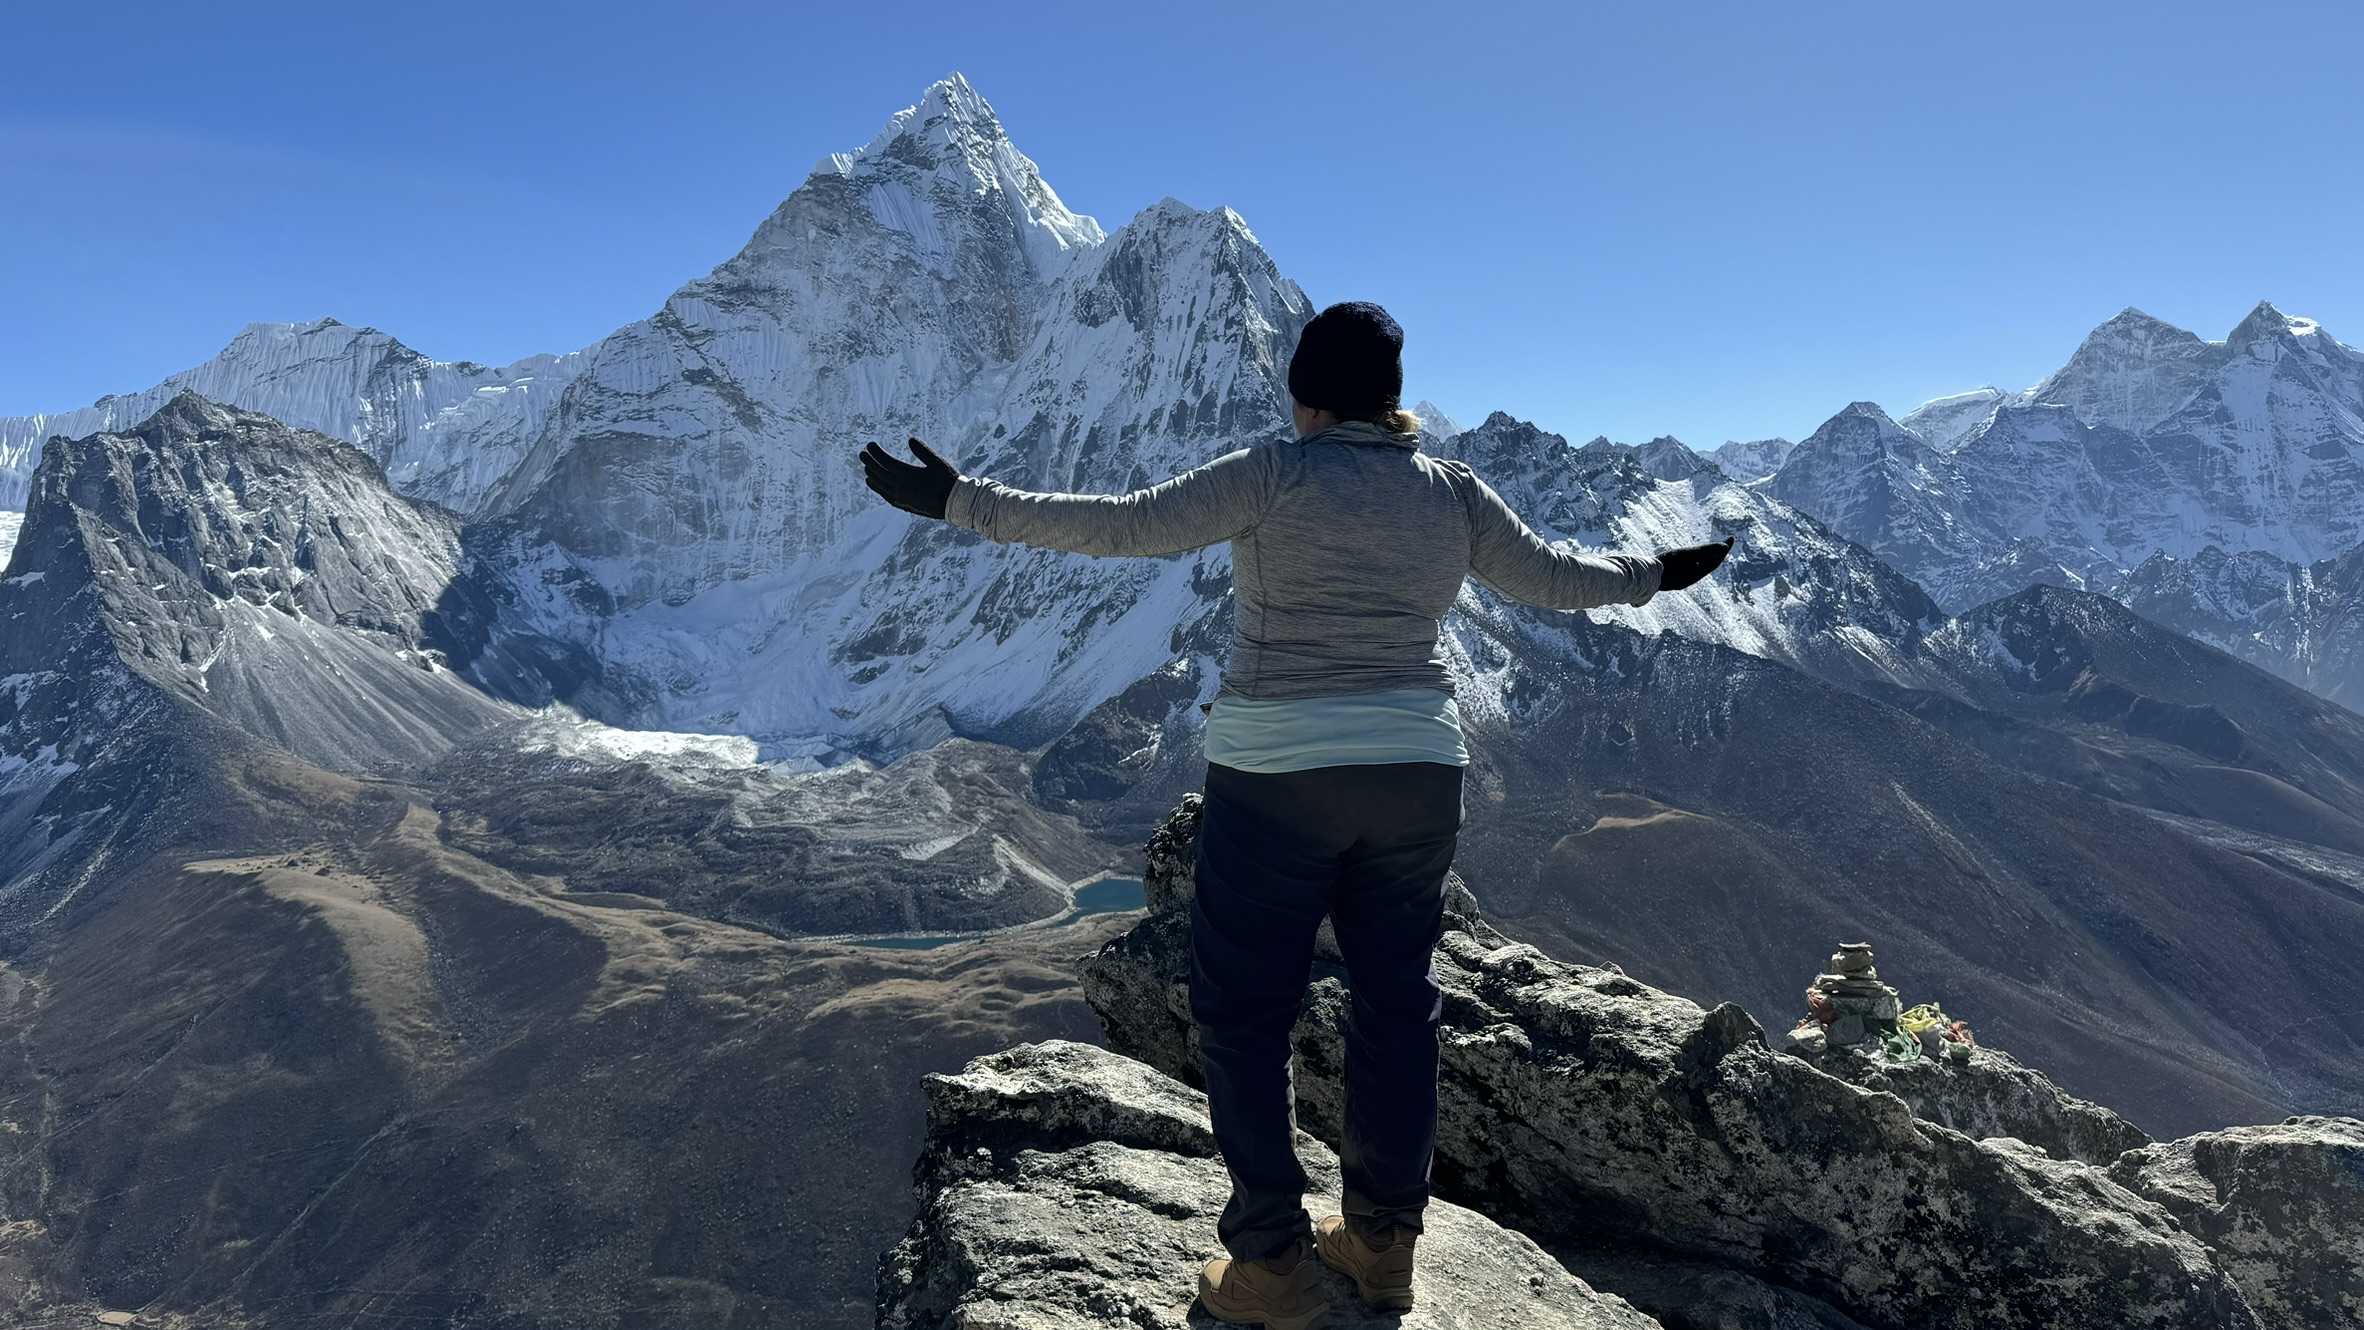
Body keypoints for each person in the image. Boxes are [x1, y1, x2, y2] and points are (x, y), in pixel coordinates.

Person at [862, 301, 1730, 1330]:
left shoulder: (1272, 473)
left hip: (1279, 775)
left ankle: (1273, 1262)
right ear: (1393, 400)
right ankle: (1383, 1245)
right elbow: (1552, 577)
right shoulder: (1453, 492)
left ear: (1306, 397)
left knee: (1245, 1010)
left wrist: (960, 501)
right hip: (1417, 772)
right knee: (1396, 1004)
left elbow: (1122, 524)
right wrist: (1656, 574)